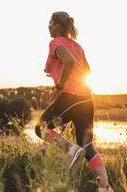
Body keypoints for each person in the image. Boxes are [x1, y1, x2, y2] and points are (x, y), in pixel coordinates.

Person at [35, 11, 112, 191]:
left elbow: (68, 61)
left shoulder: (56, 42)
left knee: (41, 128)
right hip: (86, 99)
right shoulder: (77, 46)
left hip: (71, 96)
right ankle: (106, 187)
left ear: (57, 27)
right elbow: (86, 71)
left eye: (50, 23)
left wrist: (61, 85)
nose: (48, 27)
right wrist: (56, 72)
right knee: (88, 146)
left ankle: (71, 151)